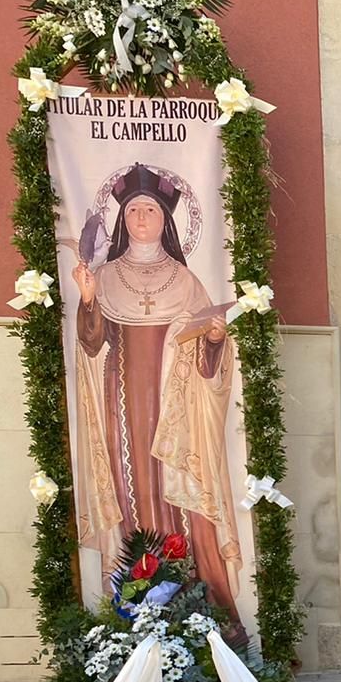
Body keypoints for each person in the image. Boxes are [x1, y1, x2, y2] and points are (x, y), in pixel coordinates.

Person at [70, 162, 244, 632]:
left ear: (166, 221)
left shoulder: (186, 282)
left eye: (150, 209)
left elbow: (212, 356)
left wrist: (212, 338)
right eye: (133, 210)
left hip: (175, 409)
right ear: (122, 221)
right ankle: (138, 610)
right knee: (133, 491)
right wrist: (87, 300)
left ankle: (196, 609)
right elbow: (91, 343)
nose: (142, 217)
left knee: (179, 495)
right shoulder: (104, 277)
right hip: (121, 401)